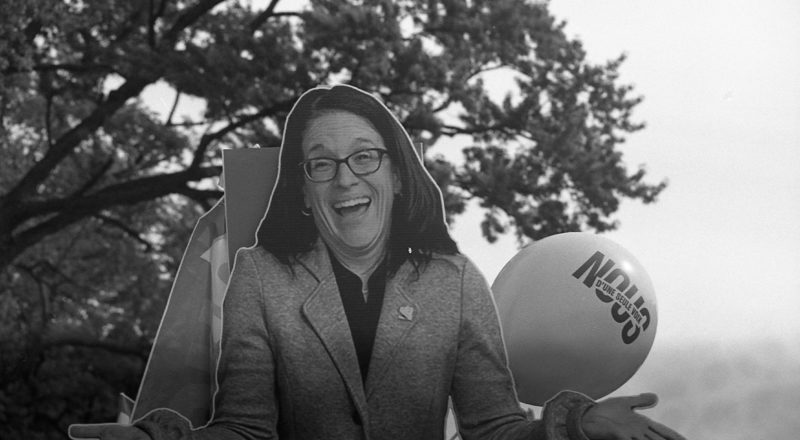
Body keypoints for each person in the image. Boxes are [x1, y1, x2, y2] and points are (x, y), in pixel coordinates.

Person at [70, 84, 684, 440]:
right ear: (303, 191)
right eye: (321, 164)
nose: (345, 179)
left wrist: (576, 426)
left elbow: (495, 429)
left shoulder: (458, 283)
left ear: (395, 173)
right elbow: (246, 431)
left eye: (365, 157)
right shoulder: (259, 275)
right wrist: (163, 436)